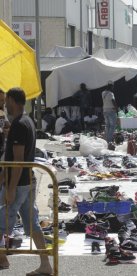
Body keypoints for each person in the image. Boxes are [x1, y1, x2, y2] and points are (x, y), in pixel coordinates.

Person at [0, 88, 52, 275]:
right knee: (32, 224)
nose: (5, 104)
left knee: (2, 220)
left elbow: (18, 160)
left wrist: (11, 188)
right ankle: (45, 264)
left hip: (19, 183)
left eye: (7, 100)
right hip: (27, 181)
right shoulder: (27, 121)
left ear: (13, 100)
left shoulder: (20, 124)